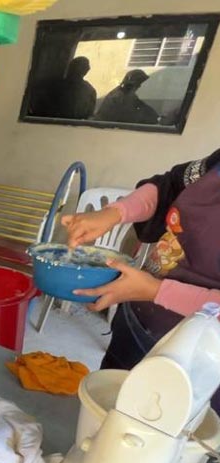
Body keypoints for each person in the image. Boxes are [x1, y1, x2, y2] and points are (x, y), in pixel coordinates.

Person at [62, 149, 220, 387]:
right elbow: (169, 185)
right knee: (106, 401)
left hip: (198, 359)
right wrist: (114, 213)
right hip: (138, 322)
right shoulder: (216, 164)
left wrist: (154, 291)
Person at [94, 69, 159, 124]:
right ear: (132, 84)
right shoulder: (118, 97)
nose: (139, 86)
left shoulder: (129, 95)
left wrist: (154, 116)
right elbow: (128, 116)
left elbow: (142, 106)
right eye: (138, 83)